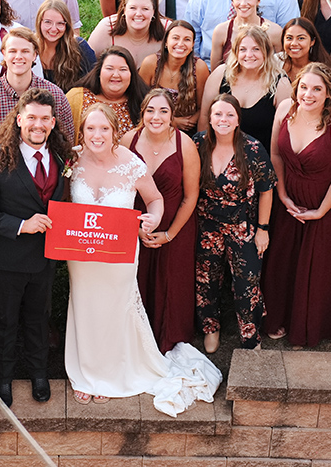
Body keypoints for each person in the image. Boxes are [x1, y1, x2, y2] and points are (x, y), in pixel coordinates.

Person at [65, 104, 222, 412]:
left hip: (119, 253)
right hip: (81, 255)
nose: (97, 135)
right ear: (82, 132)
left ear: (114, 132)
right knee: (84, 308)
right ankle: (86, 373)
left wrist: (152, 219)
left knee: (114, 309)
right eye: (91, 129)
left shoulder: (130, 162)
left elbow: (155, 199)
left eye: (104, 129)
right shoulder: (72, 159)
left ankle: (110, 373)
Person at [0, 89, 73, 407]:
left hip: (44, 259)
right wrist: (21, 225)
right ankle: (3, 379)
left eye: (44, 119)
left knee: (38, 318)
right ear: (18, 119)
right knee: (4, 320)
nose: (37, 125)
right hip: (6, 260)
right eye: (31, 118)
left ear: (53, 122)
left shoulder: (60, 159)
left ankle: (39, 374)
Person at [263, 63, 331, 346]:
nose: (309, 94)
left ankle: (313, 323)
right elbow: (275, 156)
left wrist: (320, 211)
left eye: (317, 89)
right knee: (283, 260)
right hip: (288, 199)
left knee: (318, 267)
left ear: (328, 93)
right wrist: (282, 194)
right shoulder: (284, 111)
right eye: (304, 87)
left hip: (326, 204)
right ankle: (278, 317)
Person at [194, 94, 275, 353]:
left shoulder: (252, 148)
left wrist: (262, 229)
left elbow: (266, 190)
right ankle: (211, 329)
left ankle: (250, 335)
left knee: (246, 283)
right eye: (218, 114)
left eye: (229, 114)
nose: (223, 119)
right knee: (207, 280)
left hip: (242, 226)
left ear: (238, 118)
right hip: (206, 225)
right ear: (210, 118)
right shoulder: (197, 144)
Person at [120, 90, 199, 352]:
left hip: (175, 228)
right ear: (142, 113)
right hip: (134, 229)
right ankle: (135, 341)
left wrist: (170, 234)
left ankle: (168, 340)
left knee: (171, 286)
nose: (157, 116)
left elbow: (191, 196)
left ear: (172, 115)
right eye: (150, 110)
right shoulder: (128, 141)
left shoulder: (184, 144)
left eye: (163, 111)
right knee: (136, 283)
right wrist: (134, 229)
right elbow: (118, 190)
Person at [0, 28, 73, 174]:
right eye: (13, 51)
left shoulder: (55, 96)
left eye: (25, 51)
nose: (19, 56)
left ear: (34, 55)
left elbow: (67, 146)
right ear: (3, 54)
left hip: (44, 181)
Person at [198, 26, 291, 153]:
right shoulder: (220, 74)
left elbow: (285, 132)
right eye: (243, 49)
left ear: (267, 51)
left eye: (256, 49)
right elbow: (204, 117)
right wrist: (203, 152)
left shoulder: (281, 84)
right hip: (220, 156)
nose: (249, 55)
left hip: (260, 160)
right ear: (235, 52)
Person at [66, 46, 149, 143]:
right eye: (109, 69)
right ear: (99, 72)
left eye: (123, 69)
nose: (116, 75)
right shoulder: (76, 97)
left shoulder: (144, 103)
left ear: (131, 74)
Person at [138, 20, 209, 133]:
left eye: (187, 39)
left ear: (192, 45)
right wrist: (172, 121)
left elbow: (203, 106)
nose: (180, 44)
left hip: (187, 130)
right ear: (166, 42)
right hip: (153, 124)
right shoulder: (151, 63)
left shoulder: (199, 67)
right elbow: (139, 101)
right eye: (175, 38)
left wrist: (190, 122)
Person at [209, 0, 283, 71]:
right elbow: (215, 72)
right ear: (232, 1)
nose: (243, 3)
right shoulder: (221, 31)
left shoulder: (274, 31)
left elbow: (281, 69)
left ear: (258, 1)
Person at [88, 0, 167, 67]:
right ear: (124, 10)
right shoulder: (107, 26)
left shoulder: (168, 29)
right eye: (133, 8)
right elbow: (87, 64)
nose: (138, 14)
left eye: (145, 9)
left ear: (153, 12)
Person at [35, 0, 96, 92]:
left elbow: (94, 82)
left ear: (66, 25)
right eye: (48, 22)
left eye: (60, 23)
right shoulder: (30, 47)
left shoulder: (80, 47)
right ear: (39, 22)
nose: (54, 29)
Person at [280, 17, 331, 85]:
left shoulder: (324, 72)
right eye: (289, 38)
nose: (294, 43)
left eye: (301, 38)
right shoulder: (275, 62)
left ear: (312, 41)